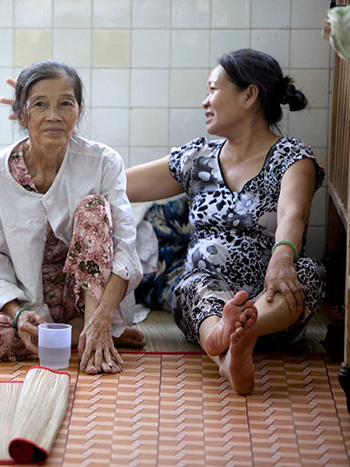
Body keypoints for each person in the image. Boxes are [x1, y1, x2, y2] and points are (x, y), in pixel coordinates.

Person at [126, 49, 326, 395]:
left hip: (273, 305)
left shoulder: (293, 157)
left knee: (309, 274)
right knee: (190, 285)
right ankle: (228, 345)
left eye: (213, 90)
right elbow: (117, 183)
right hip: (206, 299)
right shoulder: (197, 157)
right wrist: (50, 138)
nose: (205, 101)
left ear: (249, 95)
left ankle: (237, 332)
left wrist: (281, 260)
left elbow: (294, 214)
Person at [0, 61, 145, 376]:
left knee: (94, 208)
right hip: (32, 307)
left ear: (80, 111)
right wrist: (18, 316)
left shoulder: (103, 162)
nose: (54, 115)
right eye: (40, 104)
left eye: (65, 103)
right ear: (21, 114)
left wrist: (101, 317)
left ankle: (95, 329)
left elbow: (125, 248)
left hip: (89, 305)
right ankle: (81, 335)